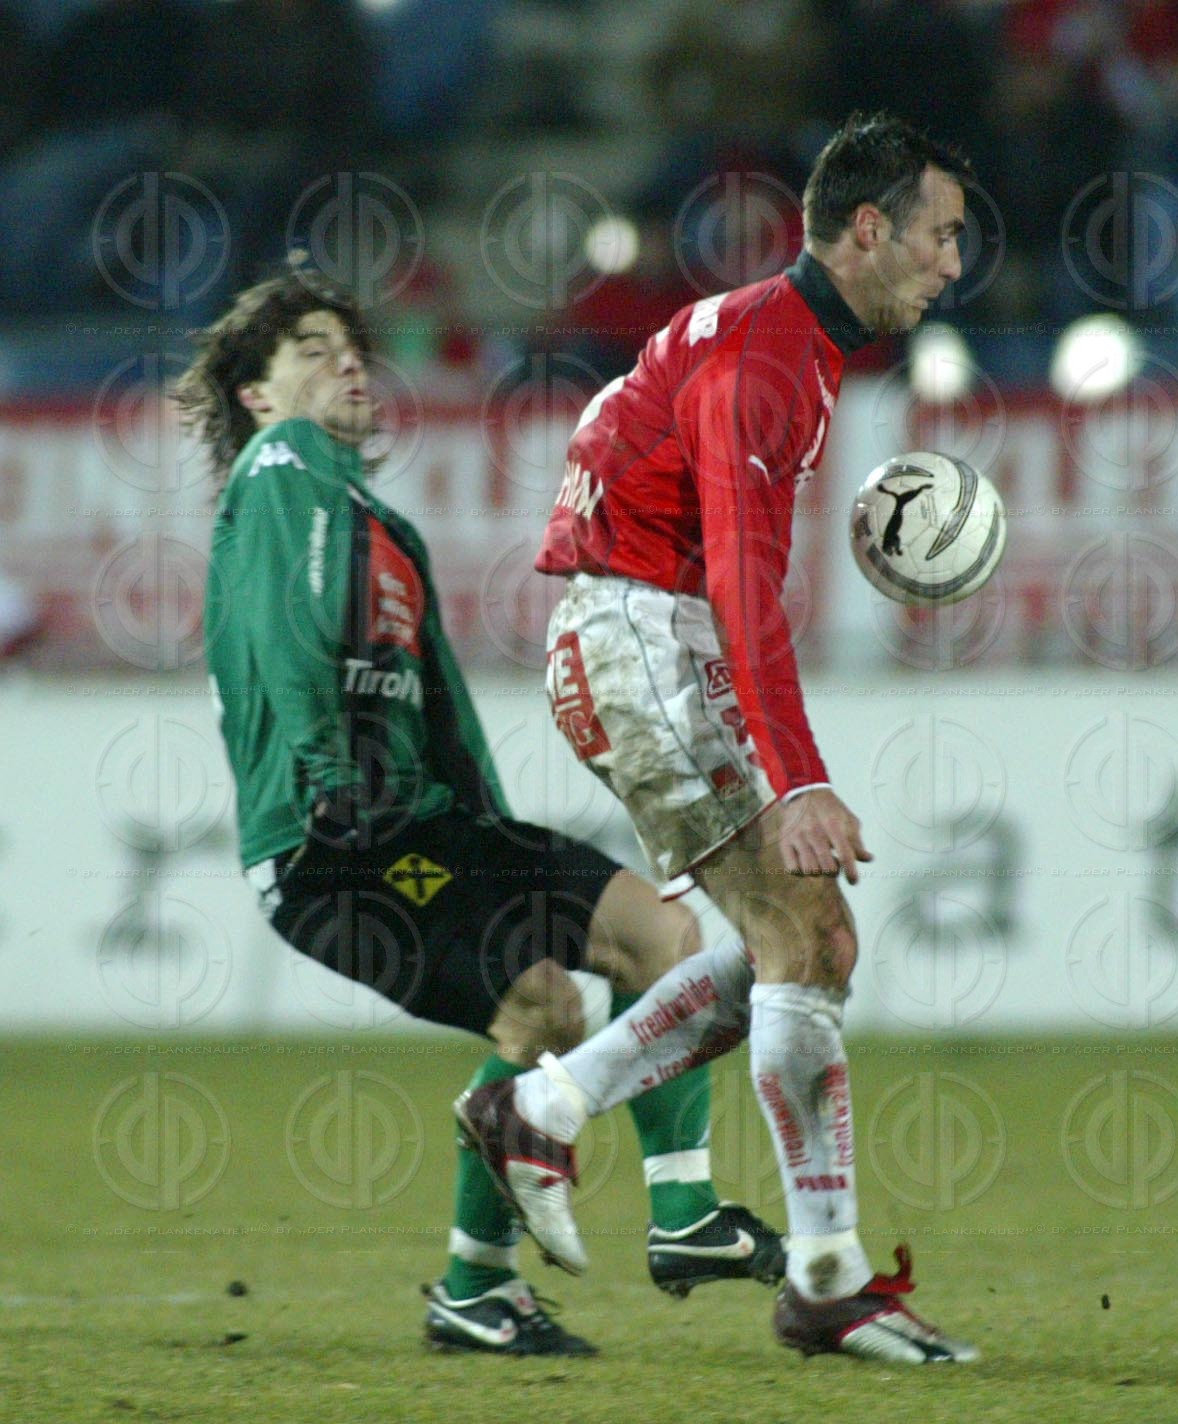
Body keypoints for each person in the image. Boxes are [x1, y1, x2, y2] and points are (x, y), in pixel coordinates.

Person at [175, 272, 784, 1358]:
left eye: (351, 346)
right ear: (256, 398)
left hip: (416, 824)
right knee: (566, 991)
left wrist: (492, 834)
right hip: (329, 842)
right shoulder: (283, 469)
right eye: (310, 350)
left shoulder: (376, 521)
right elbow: (282, 631)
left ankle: (624, 1233)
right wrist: (324, 775)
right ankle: (530, 1267)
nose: (345, 362)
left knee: (641, 950)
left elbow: (439, 711)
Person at [456, 112, 980, 1364]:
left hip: (643, 632)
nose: (953, 265)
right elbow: (746, 588)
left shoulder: (777, 338)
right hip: (637, 636)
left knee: (809, 937)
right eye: (940, 235)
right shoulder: (765, 359)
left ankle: (544, 1104)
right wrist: (798, 777)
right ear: (869, 229)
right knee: (800, 929)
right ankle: (824, 1278)